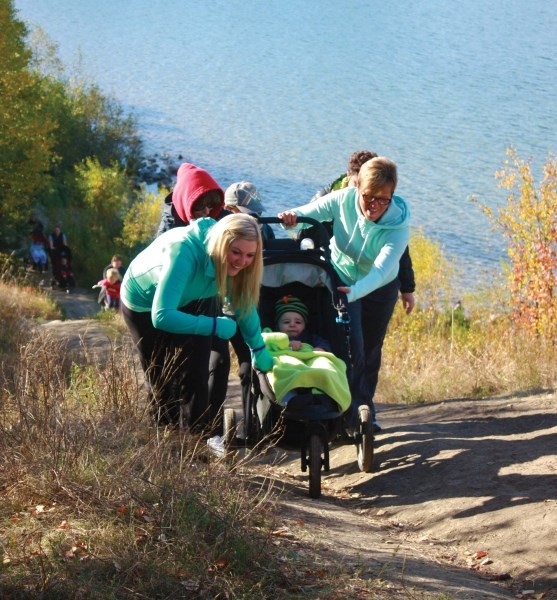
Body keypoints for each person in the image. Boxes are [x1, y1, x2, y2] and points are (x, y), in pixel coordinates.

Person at [278, 156, 410, 434]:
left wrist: (355, 292)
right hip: (341, 278)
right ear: (356, 187)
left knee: (371, 350)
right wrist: (290, 221)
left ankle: (364, 412)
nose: (374, 205)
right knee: (350, 348)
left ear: (392, 195)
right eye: (368, 197)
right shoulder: (342, 200)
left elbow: (383, 272)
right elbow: (304, 215)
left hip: (377, 287)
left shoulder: (398, 226)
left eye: (383, 199)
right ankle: (341, 409)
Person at [120, 212, 274, 430]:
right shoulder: (183, 252)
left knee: (195, 375)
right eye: (236, 252)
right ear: (222, 245)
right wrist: (213, 325)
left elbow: (244, 306)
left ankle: (195, 448)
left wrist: (258, 348)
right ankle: (165, 444)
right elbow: (161, 315)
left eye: (250, 255)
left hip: (193, 296)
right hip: (143, 304)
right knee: (160, 378)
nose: (242, 262)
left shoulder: (237, 266)